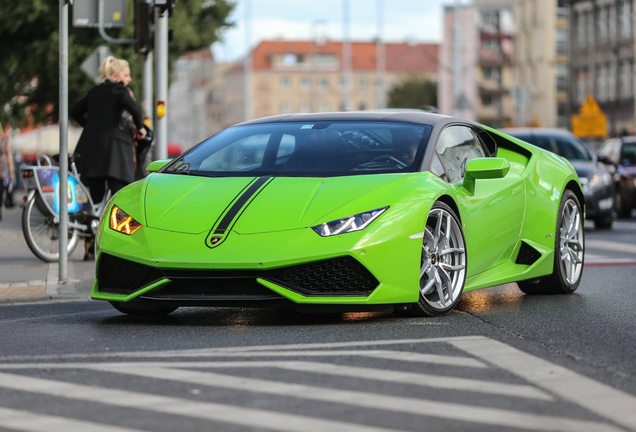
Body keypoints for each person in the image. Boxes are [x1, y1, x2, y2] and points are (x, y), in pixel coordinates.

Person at [70, 56, 147, 259]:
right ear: (115, 76)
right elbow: (135, 109)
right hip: (115, 153)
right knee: (120, 198)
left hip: (92, 150)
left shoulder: (95, 92)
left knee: (94, 199)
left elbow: (75, 111)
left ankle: (89, 246)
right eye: (126, 75)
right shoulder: (119, 91)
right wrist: (140, 129)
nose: (128, 80)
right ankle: (120, 247)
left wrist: (93, 125)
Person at [0, 122, 16, 222]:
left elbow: (9, 155)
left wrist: (12, 170)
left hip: (2, 171)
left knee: (1, 192)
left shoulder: (4, 140)